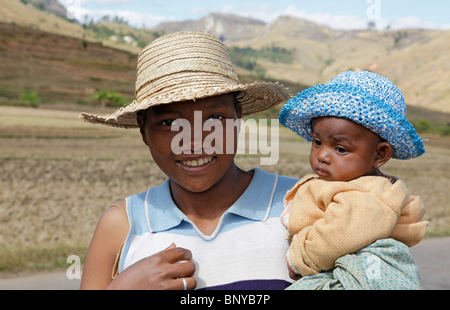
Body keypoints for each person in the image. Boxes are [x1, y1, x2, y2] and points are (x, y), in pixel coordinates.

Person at [79, 31, 298, 290]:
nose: (193, 142)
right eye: (169, 123)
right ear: (143, 130)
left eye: (215, 118)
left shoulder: (299, 203)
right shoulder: (121, 227)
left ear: (238, 116)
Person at [278, 71, 429, 290]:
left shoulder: (370, 195)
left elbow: (337, 235)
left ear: (380, 155)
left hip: (360, 273)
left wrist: (299, 259)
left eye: (340, 149)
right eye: (317, 142)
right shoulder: (344, 183)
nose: (322, 155)